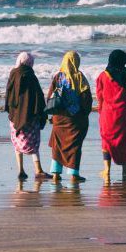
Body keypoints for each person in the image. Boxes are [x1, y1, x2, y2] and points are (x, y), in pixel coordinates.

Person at [96, 49, 126, 179]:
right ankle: (124, 169)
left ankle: (106, 169)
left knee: (106, 140)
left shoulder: (102, 75)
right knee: (124, 140)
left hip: (107, 113)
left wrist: (100, 111)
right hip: (124, 112)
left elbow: (99, 96)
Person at [5, 52, 52, 180]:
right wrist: (42, 114)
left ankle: (21, 170)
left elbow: (8, 93)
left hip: (15, 115)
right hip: (30, 116)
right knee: (34, 142)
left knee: (17, 141)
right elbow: (38, 96)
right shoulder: (31, 75)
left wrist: (11, 111)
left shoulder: (13, 74)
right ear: (30, 62)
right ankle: (38, 170)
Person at [47, 50, 92, 182]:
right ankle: (73, 174)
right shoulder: (80, 77)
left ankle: (55, 173)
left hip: (59, 118)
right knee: (75, 146)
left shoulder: (58, 77)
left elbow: (50, 97)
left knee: (58, 145)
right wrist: (84, 113)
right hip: (75, 119)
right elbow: (86, 99)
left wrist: (51, 116)